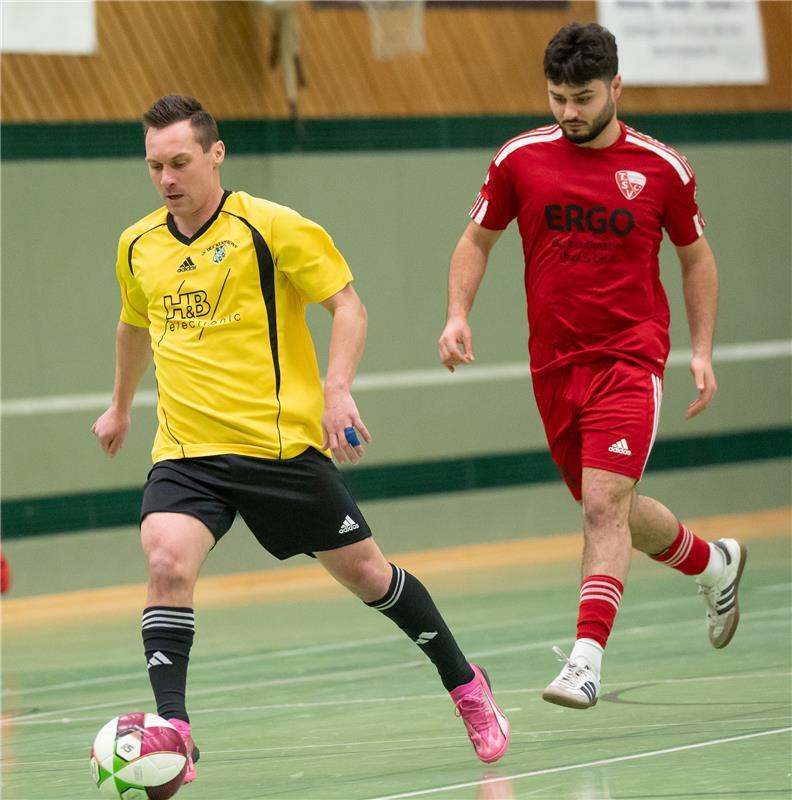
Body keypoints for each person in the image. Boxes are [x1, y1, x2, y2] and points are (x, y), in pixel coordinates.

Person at [92, 94, 510, 780]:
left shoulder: (270, 227)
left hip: (278, 449)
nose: (167, 178)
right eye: (154, 166)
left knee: (370, 577)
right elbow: (132, 325)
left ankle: (466, 684)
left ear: (215, 154)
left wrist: (336, 389)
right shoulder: (138, 244)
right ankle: (174, 729)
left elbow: (348, 306)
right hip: (187, 452)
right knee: (166, 563)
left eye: (180, 162)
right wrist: (119, 407)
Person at [438, 23, 747, 710]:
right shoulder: (520, 160)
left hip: (630, 359)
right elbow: (475, 240)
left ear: (615, 87)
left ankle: (585, 661)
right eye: (557, 98)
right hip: (554, 365)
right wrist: (458, 312)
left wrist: (699, 349)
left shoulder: (663, 168)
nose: (569, 112)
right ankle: (714, 563)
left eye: (582, 97)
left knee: (603, 505)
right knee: (613, 509)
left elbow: (696, 258)